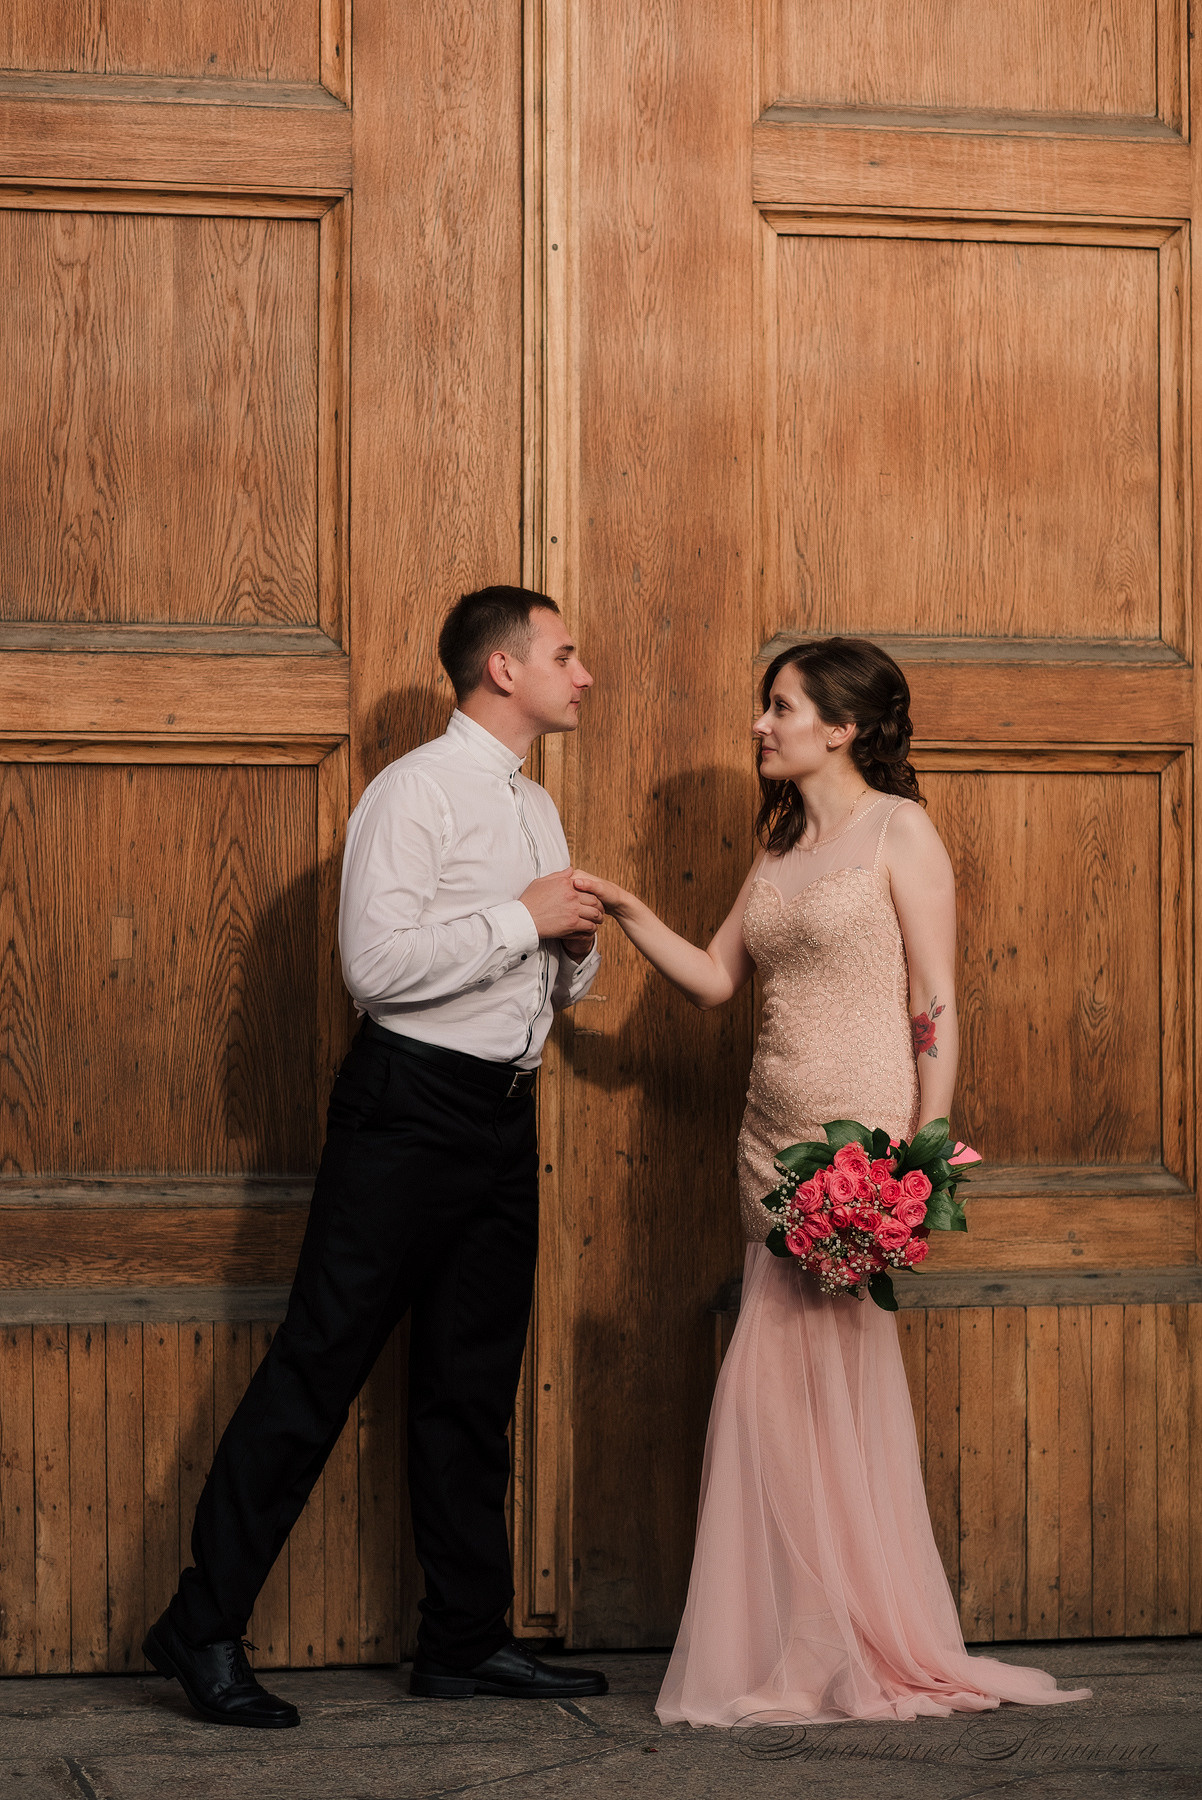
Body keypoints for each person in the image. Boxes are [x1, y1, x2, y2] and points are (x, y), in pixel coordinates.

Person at [574, 636, 1090, 1726]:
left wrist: (918, 1153)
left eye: (781, 707)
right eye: (763, 706)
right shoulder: (775, 851)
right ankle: (802, 1639)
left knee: (821, 1391)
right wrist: (625, 911)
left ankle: (843, 1644)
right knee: (775, 1403)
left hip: (857, 1140)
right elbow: (717, 981)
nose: (760, 724)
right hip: (765, 1139)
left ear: (842, 727)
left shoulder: (898, 831)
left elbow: (935, 1003)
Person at [144, 586, 609, 1726]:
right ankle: (199, 1630)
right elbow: (375, 967)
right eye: (564, 653)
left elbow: (552, 970)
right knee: (315, 1370)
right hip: (405, 1111)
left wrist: (570, 947)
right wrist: (522, 918)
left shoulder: (536, 808)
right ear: (502, 670)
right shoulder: (412, 792)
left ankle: (461, 1640)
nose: (582, 672)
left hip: (504, 1116)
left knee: (471, 1384)